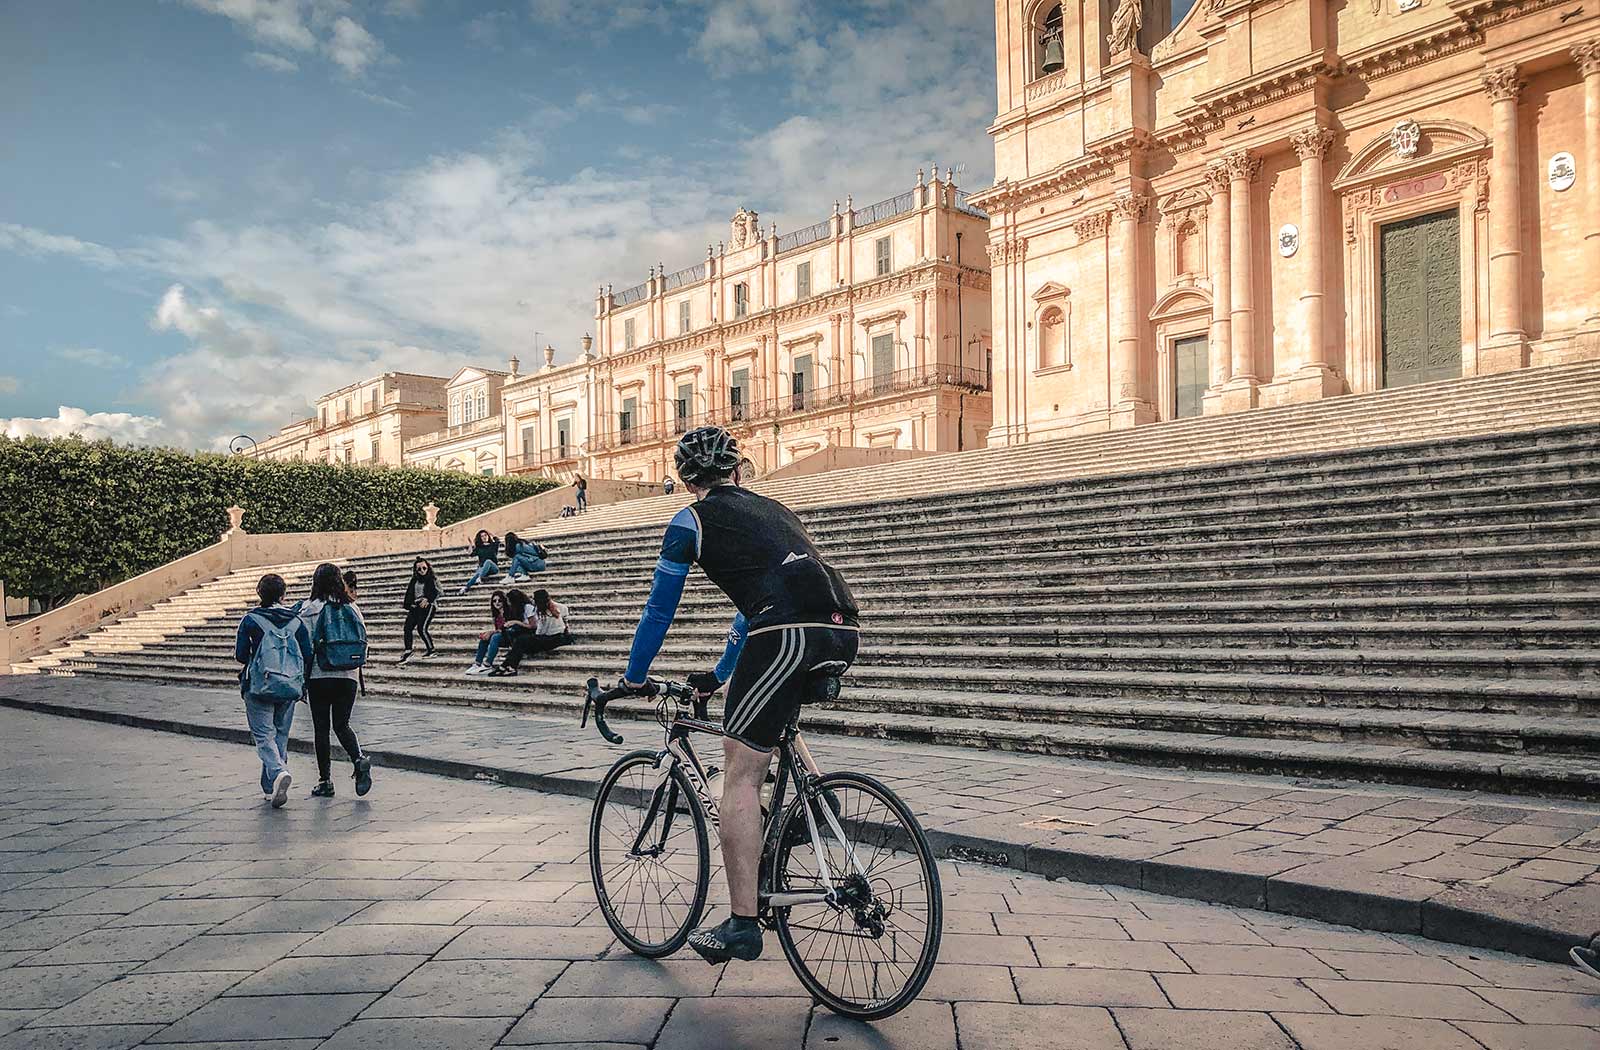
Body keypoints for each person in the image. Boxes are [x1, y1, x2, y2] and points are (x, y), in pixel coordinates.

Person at [619, 425, 858, 965]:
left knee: (740, 769)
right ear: (738, 469)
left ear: (685, 480)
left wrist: (636, 675)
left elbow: (660, 609)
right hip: (841, 626)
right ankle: (817, 804)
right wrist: (723, 672)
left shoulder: (690, 521)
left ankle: (742, 923)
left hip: (785, 631)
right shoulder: (775, 509)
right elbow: (754, 604)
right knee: (775, 724)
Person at [234, 573, 311, 808]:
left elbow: (240, 654)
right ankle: (270, 789)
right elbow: (307, 654)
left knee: (263, 735)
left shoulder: (250, 620)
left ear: (259, 594)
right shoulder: (297, 621)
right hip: (288, 685)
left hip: (258, 686)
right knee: (280, 735)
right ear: (283, 594)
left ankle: (278, 772)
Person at [298, 563, 373, 798]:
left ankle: (325, 781)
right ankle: (358, 759)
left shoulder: (309, 609)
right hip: (348, 675)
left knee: (322, 729)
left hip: (320, 674)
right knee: (342, 724)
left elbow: (304, 645)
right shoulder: (352, 607)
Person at [495, 588, 574, 675]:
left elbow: (540, 632)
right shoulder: (561, 607)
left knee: (522, 640)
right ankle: (509, 666)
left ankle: (507, 666)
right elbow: (565, 621)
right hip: (559, 637)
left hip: (553, 639)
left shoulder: (543, 613)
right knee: (522, 641)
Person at [398, 557, 439, 664]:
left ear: (428, 568)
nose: (422, 571)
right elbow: (408, 597)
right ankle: (408, 650)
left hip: (428, 606)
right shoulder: (414, 580)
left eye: (424, 568)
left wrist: (427, 599)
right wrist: (410, 605)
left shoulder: (431, 579)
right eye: (419, 569)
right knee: (407, 628)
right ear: (416, 570)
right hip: (415, 607)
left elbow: (435, 592)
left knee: (422, 628)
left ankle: (431, 650)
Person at [464, 590, 510, 676]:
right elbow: (499, 629)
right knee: (485, 638)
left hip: (510, 636)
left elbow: (506, 629)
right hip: (502, 636)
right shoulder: (496, 614)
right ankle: (477, 663)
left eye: (499, 600)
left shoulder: (508, 612)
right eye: (494, 601)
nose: (497, 603)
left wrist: (491, 632)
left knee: (494, 637)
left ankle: (488, 664)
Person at [459, 530, 501, 594]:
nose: (484, 537)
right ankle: (465, 588)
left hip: (493, 568)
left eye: (485, 535)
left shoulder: (493, 545)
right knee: (478, 573)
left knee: (488, 561)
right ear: (480, 538)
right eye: (482, 536)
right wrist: (470, 543)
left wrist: (490, 533)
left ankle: (480, 578)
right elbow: (470, 553)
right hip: (484, 569)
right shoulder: (479, 548)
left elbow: (498, 540)